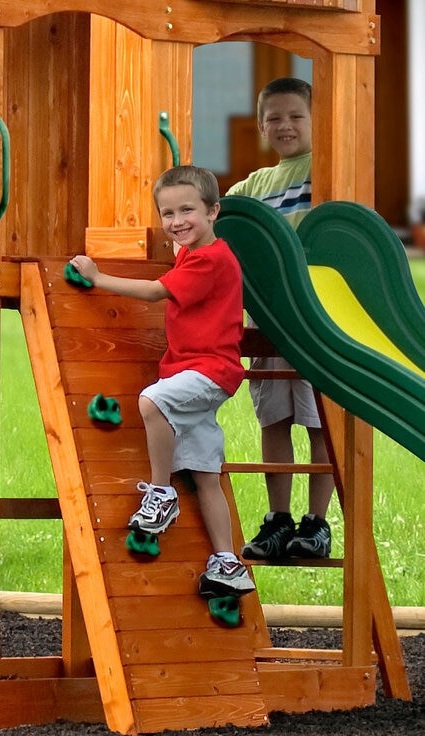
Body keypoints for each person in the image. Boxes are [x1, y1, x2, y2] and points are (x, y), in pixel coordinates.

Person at [69, 165, 255, 597]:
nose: (177, 221)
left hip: (209, 370)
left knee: (152, 402)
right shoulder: (192, 251)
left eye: (187, 210)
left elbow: (155, 292)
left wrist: (97, 278)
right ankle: (227, 562)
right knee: (206, 475)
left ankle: (161, 492)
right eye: (168, 214)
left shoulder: (210, 259)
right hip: (196, 371)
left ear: (213, 211)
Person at [226, 77, 334, 560]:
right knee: (275, 419)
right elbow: (221, 217)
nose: (284, 125)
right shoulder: (253, 186)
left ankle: (317, 522)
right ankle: (279, 519)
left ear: (317, 121)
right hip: (270, 322)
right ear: (262, 125)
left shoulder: (327, 168)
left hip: (319, 322)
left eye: (296, 115)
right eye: (274, 117)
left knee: (320, 422)